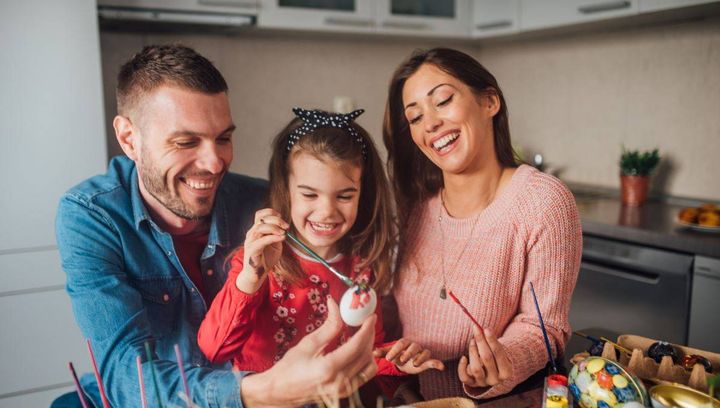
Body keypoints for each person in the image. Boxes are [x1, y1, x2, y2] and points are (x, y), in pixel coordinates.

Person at [54, 44, 377, 408]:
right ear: (129, 138)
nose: (214, 163)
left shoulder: (265, 205)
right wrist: (261, 392)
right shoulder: (92, 216)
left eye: (223, 138)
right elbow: (126, 374)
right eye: (186, 141)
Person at [382, 48, 582, 401]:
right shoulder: (414, 207)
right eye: (414, 118)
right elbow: (398, 319)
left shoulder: (543, 201)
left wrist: (502, 359)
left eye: (442, 100)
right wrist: (395, 353)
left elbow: (545, 327)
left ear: (489, 101)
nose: (430, 124)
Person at [197, 108, 443, 384]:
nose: (326, 211)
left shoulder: (362, 268)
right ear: (286, 190)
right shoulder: (256, 263)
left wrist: (396, 359)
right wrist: (252, 276)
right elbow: (214, 349)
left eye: (345, 196)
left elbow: (365, 353)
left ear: (363, 194)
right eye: (310, 194)